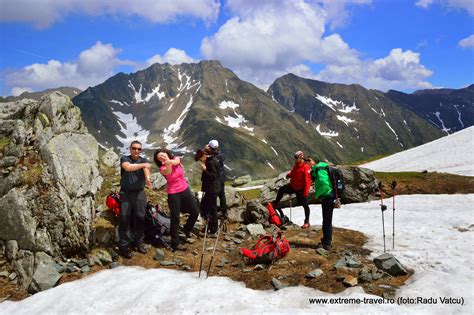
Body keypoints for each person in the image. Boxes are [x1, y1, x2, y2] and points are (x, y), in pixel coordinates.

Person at [154, 148, 199, 251]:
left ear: (166, 153)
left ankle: (186, 229)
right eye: (159, 157)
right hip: (173, 194)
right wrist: (168, 164)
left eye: (163, 154)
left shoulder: (175, 158)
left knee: (195, 212)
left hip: (185, 189)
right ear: (159, 161)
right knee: (175, 218)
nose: (162, 157)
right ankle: (175, 242)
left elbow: (177, 161)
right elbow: (168, 172)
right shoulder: (162, 168)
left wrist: (170, 161)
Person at [119, 141, 152, 258]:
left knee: (140, 218)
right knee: (124, 219)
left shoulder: (143, 160)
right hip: (126, 193)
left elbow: (147, 169)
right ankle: (124, 246)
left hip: (139, 193)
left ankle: (139, 242)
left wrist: (147, 178)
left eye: (139, 149)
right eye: (134, 148)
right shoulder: (124, 158)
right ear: (130, 149)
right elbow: (127, 168)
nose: (136, 151)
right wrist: (143, 166)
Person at [273, 151, 312, 229]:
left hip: (301, 189)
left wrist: (305, 192)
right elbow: (293, 173)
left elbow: (308, 181)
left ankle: (307, 221)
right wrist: (288, 175)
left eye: (296, 158)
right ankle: (275, 203)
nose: (295, 159)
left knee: (305, 205)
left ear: (301, 157)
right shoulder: (296, 165)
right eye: (295, 158)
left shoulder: (305, 167)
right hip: (293, 186)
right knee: (282, 189)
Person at [195, 147, 222, 236]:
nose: (201, 161)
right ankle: (209, 224)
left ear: (204, 156)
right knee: (204, 205)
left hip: (212, 189)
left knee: (212, 208)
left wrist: (205, 170)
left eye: (200, 158)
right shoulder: (210, 161)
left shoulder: (211, 163)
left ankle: (214, 229)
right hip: (210, 189)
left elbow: (213, 176)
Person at [311, 158, 335, 250]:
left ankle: (327, 243)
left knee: (327, 220)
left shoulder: (319, 169)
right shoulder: (321, 167)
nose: (307, 163)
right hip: (329, 196)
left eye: (309, 160)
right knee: (327, 220)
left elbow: (325, 184)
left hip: (328, 196)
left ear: (314, 161)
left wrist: (317, 195)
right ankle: (326, 240)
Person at [207, 139, 227, 219]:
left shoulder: (211, 159)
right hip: (222, 178)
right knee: (222, 195)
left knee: (213, 197)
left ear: (211, 148)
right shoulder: (222, 155)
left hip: (216, 181)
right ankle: (224, 212)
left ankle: (213, 214)